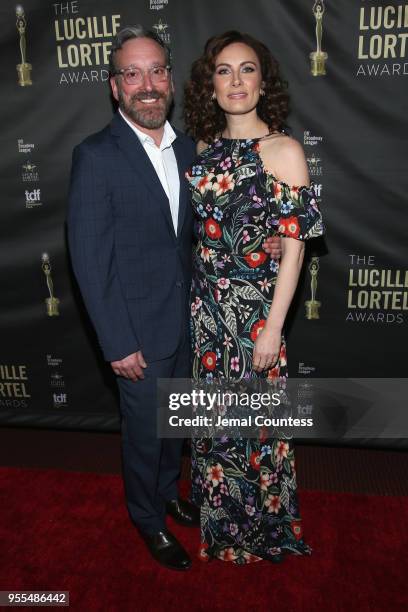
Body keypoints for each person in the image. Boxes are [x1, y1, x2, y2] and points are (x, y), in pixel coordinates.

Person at [67, 25, 282, 571]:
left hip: (194, 323)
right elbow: (91, 262)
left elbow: (208, 226)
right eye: (132, 74)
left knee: (175, 427)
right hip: (137, 333)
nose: (146, 84)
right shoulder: (96, 156)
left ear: (169, 79)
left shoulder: (192, 149)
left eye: (156, 71)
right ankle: (147, 519)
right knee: (142, 435)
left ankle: (167, 492)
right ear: (115, 86)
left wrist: (266, 237)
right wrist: (116, 342)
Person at [184, 30, 324, 564]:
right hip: (206, 312)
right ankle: (221, 525)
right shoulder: (204, 147)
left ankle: (260, 530)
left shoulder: (284, 151)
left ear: (263, 84)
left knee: (255, 429)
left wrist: (271, 327)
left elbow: (295, 253)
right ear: (211, 84)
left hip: (253, 316)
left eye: (247, 70)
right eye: (224, 70)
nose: (236, 80)